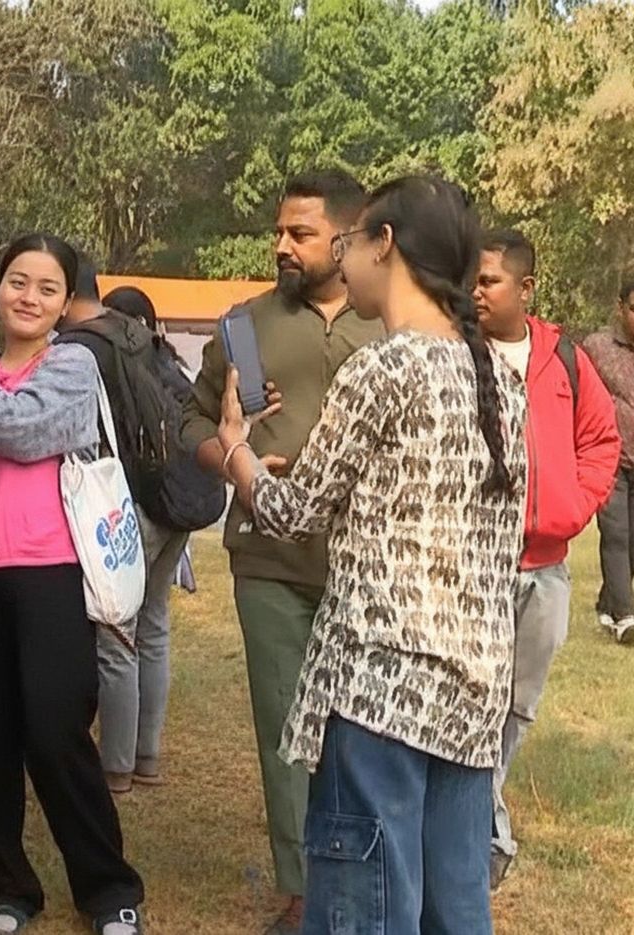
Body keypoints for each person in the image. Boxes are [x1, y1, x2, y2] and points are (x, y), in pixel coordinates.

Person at [216, 176, 527, 933]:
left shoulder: (383, 368)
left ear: (383, 245)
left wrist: (237, 453)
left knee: (366, 912)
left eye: (350, 244)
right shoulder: (497, 381)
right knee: (455, 908)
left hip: (382, 686)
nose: (344, 261)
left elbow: (290, 513)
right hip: (472, 687)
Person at [0, 233, 146, 935]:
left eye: (47, 287)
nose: (29, 297)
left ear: (66, 301)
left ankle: (109, 889)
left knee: (55, 726)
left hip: (49, 567)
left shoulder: (73, 366)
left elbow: (16, 429)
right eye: (17, 280)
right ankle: (8, 885)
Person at [179, 169, 381, 934]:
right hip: (267, 556)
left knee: (361, 728)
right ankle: (303, 890)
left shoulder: (389, 322)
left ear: (348, 236)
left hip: (366, 560)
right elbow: (193, 422)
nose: (281, 246)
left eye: (299, 232)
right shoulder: (242, 325)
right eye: (279, 231)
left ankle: (365, 873)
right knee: (285, 722)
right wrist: (234, 459)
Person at [474, 230, 620, 887]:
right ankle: (486, 831)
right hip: (477, 561)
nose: (475, 292)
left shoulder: (564, 357)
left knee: (518, 705)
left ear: (526, 288)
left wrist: (574, 504)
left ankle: (481, 809)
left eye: (490, 281)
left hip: (547, 565)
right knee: (475, 696)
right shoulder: (458, 352)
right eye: (471, 281)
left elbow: (600, 437)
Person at [54, 273, 190, 793]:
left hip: (126, 505)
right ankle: (146, 756)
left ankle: (114, 767)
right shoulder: (150, 344)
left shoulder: (84, 349)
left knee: (116, 633)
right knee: (152, 626)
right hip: (176, 503)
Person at [582, 280, 634, 644]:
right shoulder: (597, 347)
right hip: (608, 459)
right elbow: (576, 391)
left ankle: (608, 601)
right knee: (615, 536)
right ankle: (625, 617)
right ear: (620, 308)